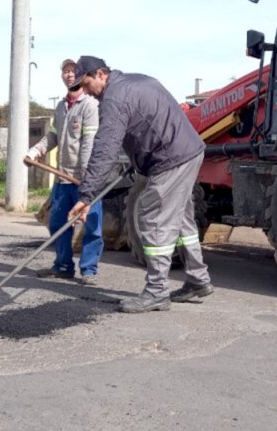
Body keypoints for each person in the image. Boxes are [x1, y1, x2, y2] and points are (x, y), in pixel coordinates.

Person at [67, 55, 212, 313]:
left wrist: (87, 195)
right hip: (186, 152)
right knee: (181, 221)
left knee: (153, 218)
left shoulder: (115, 98)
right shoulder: (134, 82)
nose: (85, 91)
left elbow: (105, 148)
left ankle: (156, 292)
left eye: (86, 83)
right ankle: (198, 279)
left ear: (101, 74)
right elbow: (147, 125)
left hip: (170, 159)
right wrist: (139, 160)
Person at [27, 58, 103, 286]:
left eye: (73, 71)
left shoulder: (90, 105)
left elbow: (89, 143)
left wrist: (87, 180)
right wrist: (36, 150)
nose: (69, 75)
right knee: (57, 223)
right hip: (62, 178)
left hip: (85, 180)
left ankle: (88, 270)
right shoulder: (61, 107)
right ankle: (63, 266)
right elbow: (53, 136)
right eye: (66, 71)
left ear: (81, 76)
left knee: (91, 226)